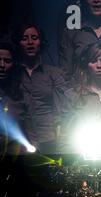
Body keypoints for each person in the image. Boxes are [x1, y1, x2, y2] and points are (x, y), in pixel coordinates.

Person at [15, 24, 68, 154]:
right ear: (19, 43)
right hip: (20, 141)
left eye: (34, 38)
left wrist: (59, 137)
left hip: (49, 140)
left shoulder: (54, 73)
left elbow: (61, 110)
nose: (30, 42)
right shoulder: (13, 74)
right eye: (24, 38)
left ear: (41, 42)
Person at [0, 41, 35, 153]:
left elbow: (31, 131)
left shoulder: (21, 95)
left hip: (16, 158)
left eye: (7, 61)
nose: (2, 65)